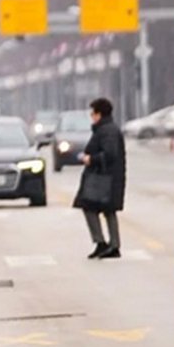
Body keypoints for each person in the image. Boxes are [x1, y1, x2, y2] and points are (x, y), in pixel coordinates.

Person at [73, 97, 126, 260]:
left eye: (93, 113)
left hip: (103, 178)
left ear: (99, 114)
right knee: (109, 210)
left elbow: (109, 154)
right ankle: (113, 245)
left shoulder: (106, 130)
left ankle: (102, 243)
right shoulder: (107, 129)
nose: (91, 116)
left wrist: (91, 159)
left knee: (89, 206)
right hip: (109, 177)